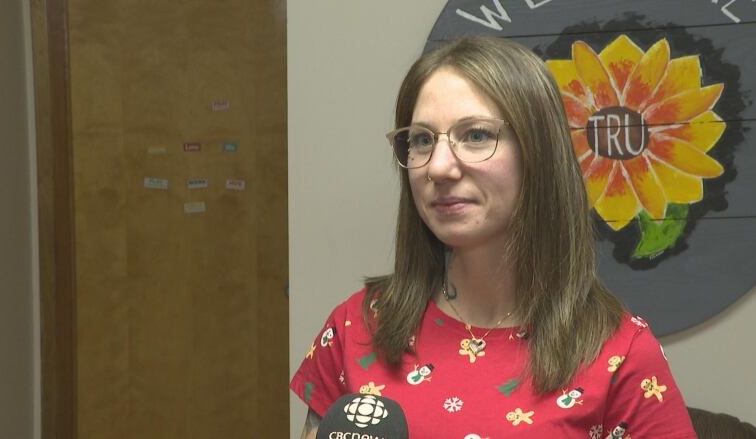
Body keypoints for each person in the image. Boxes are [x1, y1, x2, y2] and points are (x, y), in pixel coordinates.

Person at [291, 36, 697, 438]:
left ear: (538, 153)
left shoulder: (621, 355)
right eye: (421, 140)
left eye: (477, 135)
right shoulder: (356, 326)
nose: (439, 167)